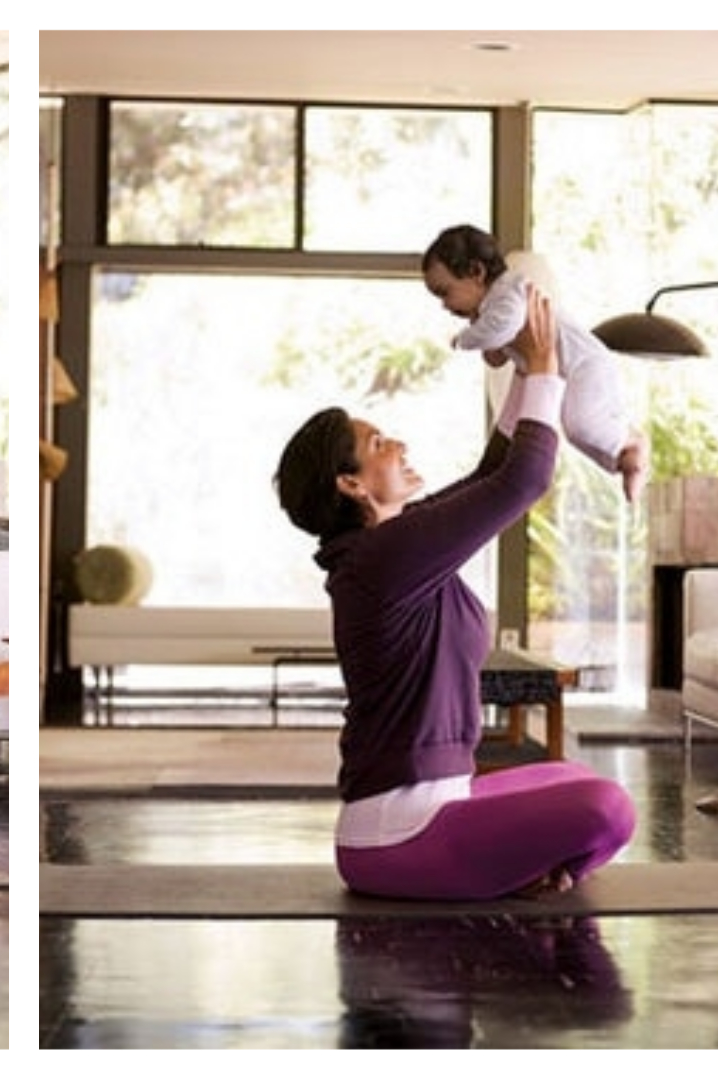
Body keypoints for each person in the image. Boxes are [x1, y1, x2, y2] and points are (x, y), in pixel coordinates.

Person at [273, 286, 635, 901]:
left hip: (436, 806)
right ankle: (515, 866)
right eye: (379, 443)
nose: (400, 445)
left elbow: (492, 471)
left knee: (567, 777)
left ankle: (521, 867)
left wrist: (525, 364)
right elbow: (524, 478)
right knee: (608, 807)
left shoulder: (390, 545)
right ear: (351, 484)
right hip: (400, 834)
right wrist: (545, 365)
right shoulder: (380, 560)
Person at [422, 224, 647, 503]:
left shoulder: (510, 291)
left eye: (445, 292)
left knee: (581, 424)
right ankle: (624, 460)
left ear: (476, 272)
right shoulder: (493, 307)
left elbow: (502, 327)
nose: (445, 305)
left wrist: (464, 339)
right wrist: (491, 345)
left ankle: (630, 443)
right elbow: (498, 352)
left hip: (587, 365)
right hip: (576, 371)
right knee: (577, 430)